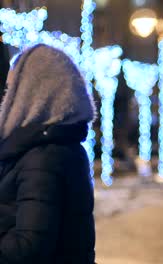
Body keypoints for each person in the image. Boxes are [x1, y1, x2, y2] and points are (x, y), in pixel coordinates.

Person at [0, 44, 96, 263]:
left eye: (12, 89)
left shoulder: (43, 157)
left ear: (30, 94)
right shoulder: (55, 148)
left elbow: (28, 247)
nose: (5, 100)